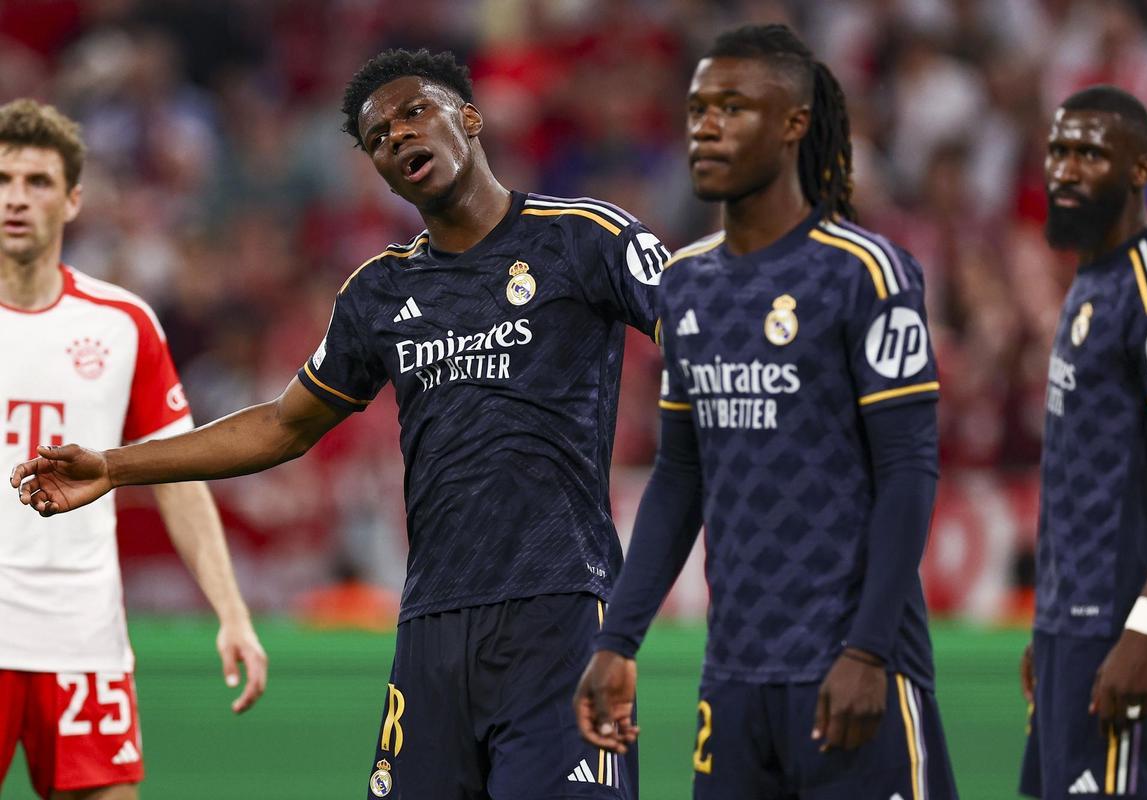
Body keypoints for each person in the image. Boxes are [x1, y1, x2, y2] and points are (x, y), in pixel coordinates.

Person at [11, 49, 666, 800]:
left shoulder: (584, 238)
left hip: (561, 611)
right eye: (379, 137)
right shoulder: (379, 292)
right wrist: (116, 466)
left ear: (470, 118)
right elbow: (284, 426)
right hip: (431, 628)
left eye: (415, 113)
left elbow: (697, 331)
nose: (398, 137)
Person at [573, 24, 958, 799]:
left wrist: (869, 653)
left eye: (734, 107)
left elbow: (909, 472)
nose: (705, 126)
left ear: (794, 125)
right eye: (697, 108)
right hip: (736, 679)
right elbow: (681, 477)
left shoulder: (866, 273)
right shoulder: (684, 282)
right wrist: (619, 640)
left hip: (852, 669)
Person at [0, 99, 266, 800]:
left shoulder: (123, 324)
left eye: (38, 182)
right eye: (3, 181)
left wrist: (232, 611)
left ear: (74, 198)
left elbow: (178, 476)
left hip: (84, 640)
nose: (17, 199)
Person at [1018, 85, 1147, 800]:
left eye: (1090, 153)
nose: (1065, 169)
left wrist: (1144, 632)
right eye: (1059, 151)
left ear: (1140, 169)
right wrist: (1051, 624)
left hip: (1124, 637)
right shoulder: (1094, 279)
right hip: (1073, 631)